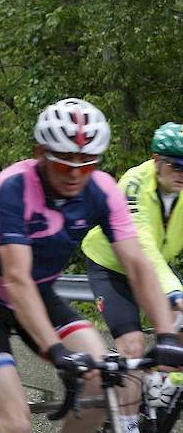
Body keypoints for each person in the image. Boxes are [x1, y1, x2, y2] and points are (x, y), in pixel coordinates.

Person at [0, 98, 183, 433]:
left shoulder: (102, 190)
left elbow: (137, 263)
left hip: (40, 296)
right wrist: (57, 350)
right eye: (64, 164)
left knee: (103, 382)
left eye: (86, 164)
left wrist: (165, 335)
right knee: (16, 424)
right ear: (40, 154)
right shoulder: (12, 186)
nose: (75, 174)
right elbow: (16, 280)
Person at [80, 121, 183, 431]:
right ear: (156, 160)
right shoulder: (134, 183)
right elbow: (142, 247)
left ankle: (164, 384)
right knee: (134, 345)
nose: (181, 172)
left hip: (156, 269)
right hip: (113, 266)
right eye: (175, 165)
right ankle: (126, 425)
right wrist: (175, 294)